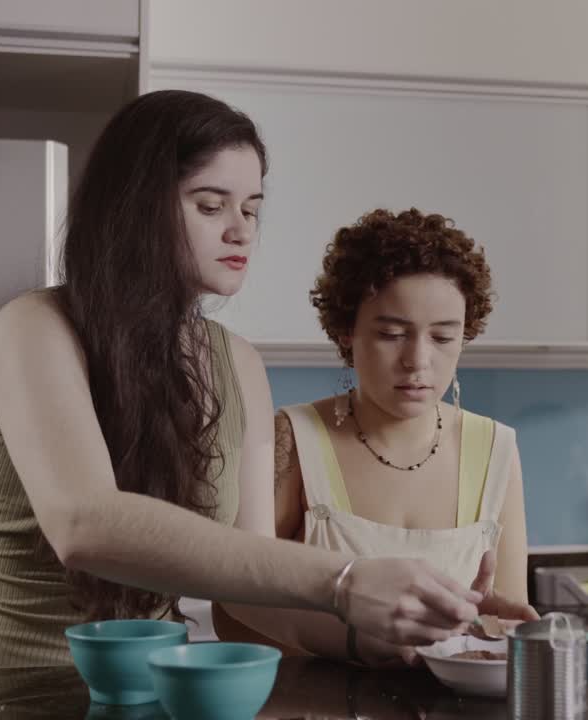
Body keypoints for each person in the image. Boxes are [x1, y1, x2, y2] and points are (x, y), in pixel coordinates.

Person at [0, 91, 482, 670]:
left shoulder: (237, 364)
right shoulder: (35, 328)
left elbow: (250, 584)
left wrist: (406, 639)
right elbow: (86, 525)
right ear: (136, 207)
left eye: (252, 209)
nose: (241, 231)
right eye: (211, 206)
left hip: (151, 699)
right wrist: (344, 580)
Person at [214, 208, 537, 665]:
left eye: (444, 338)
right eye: (391, 334)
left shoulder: (495, 449)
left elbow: (504, 627)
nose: (418, 361)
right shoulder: (294, 439)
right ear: (346, 331)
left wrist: (489, 631)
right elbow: (236, 611)